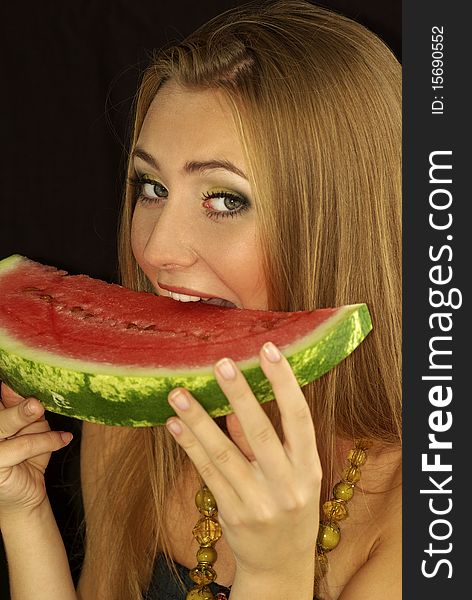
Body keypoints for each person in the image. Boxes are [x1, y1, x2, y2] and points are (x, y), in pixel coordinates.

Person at [0, 1, 402, 598]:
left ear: (338, 225)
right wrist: (24, 515)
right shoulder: (137, 418)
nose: (157, 247)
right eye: (153, 188)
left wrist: (274, 575)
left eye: (224, 200)